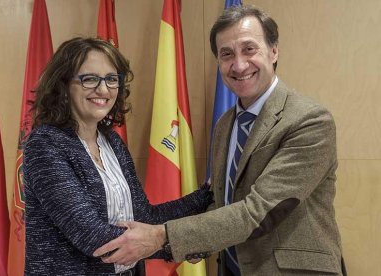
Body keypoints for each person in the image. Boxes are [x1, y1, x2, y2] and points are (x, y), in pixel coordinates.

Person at [93, 5, 347, 275]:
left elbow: (256, 212)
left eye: (249, 49)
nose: (238, 64)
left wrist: (160, 236)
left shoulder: (309, 121)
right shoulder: (225, 124)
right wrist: (179, 243)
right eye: (227, 54)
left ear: (274, 51)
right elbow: (221, 202)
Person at [23, 37, 213, 276]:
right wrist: (181, 242)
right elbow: (92, 235)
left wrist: (205, 195)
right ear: (63, 85)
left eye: (111, 79)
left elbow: (144, 216)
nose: (103, 90)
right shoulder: (45, 144)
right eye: (89, 79)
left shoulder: (111, 141)